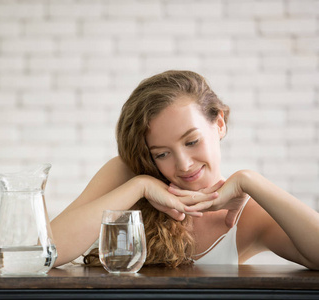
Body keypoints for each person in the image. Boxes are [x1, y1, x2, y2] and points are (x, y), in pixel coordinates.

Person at [50, 70, 319, 270]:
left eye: (192, 141)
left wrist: (251, 181)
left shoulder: (247, 216)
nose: (184, 165)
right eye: (162, 154)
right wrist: (140, 186)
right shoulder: (126, 174)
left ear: (220, 124)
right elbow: (47, 252)